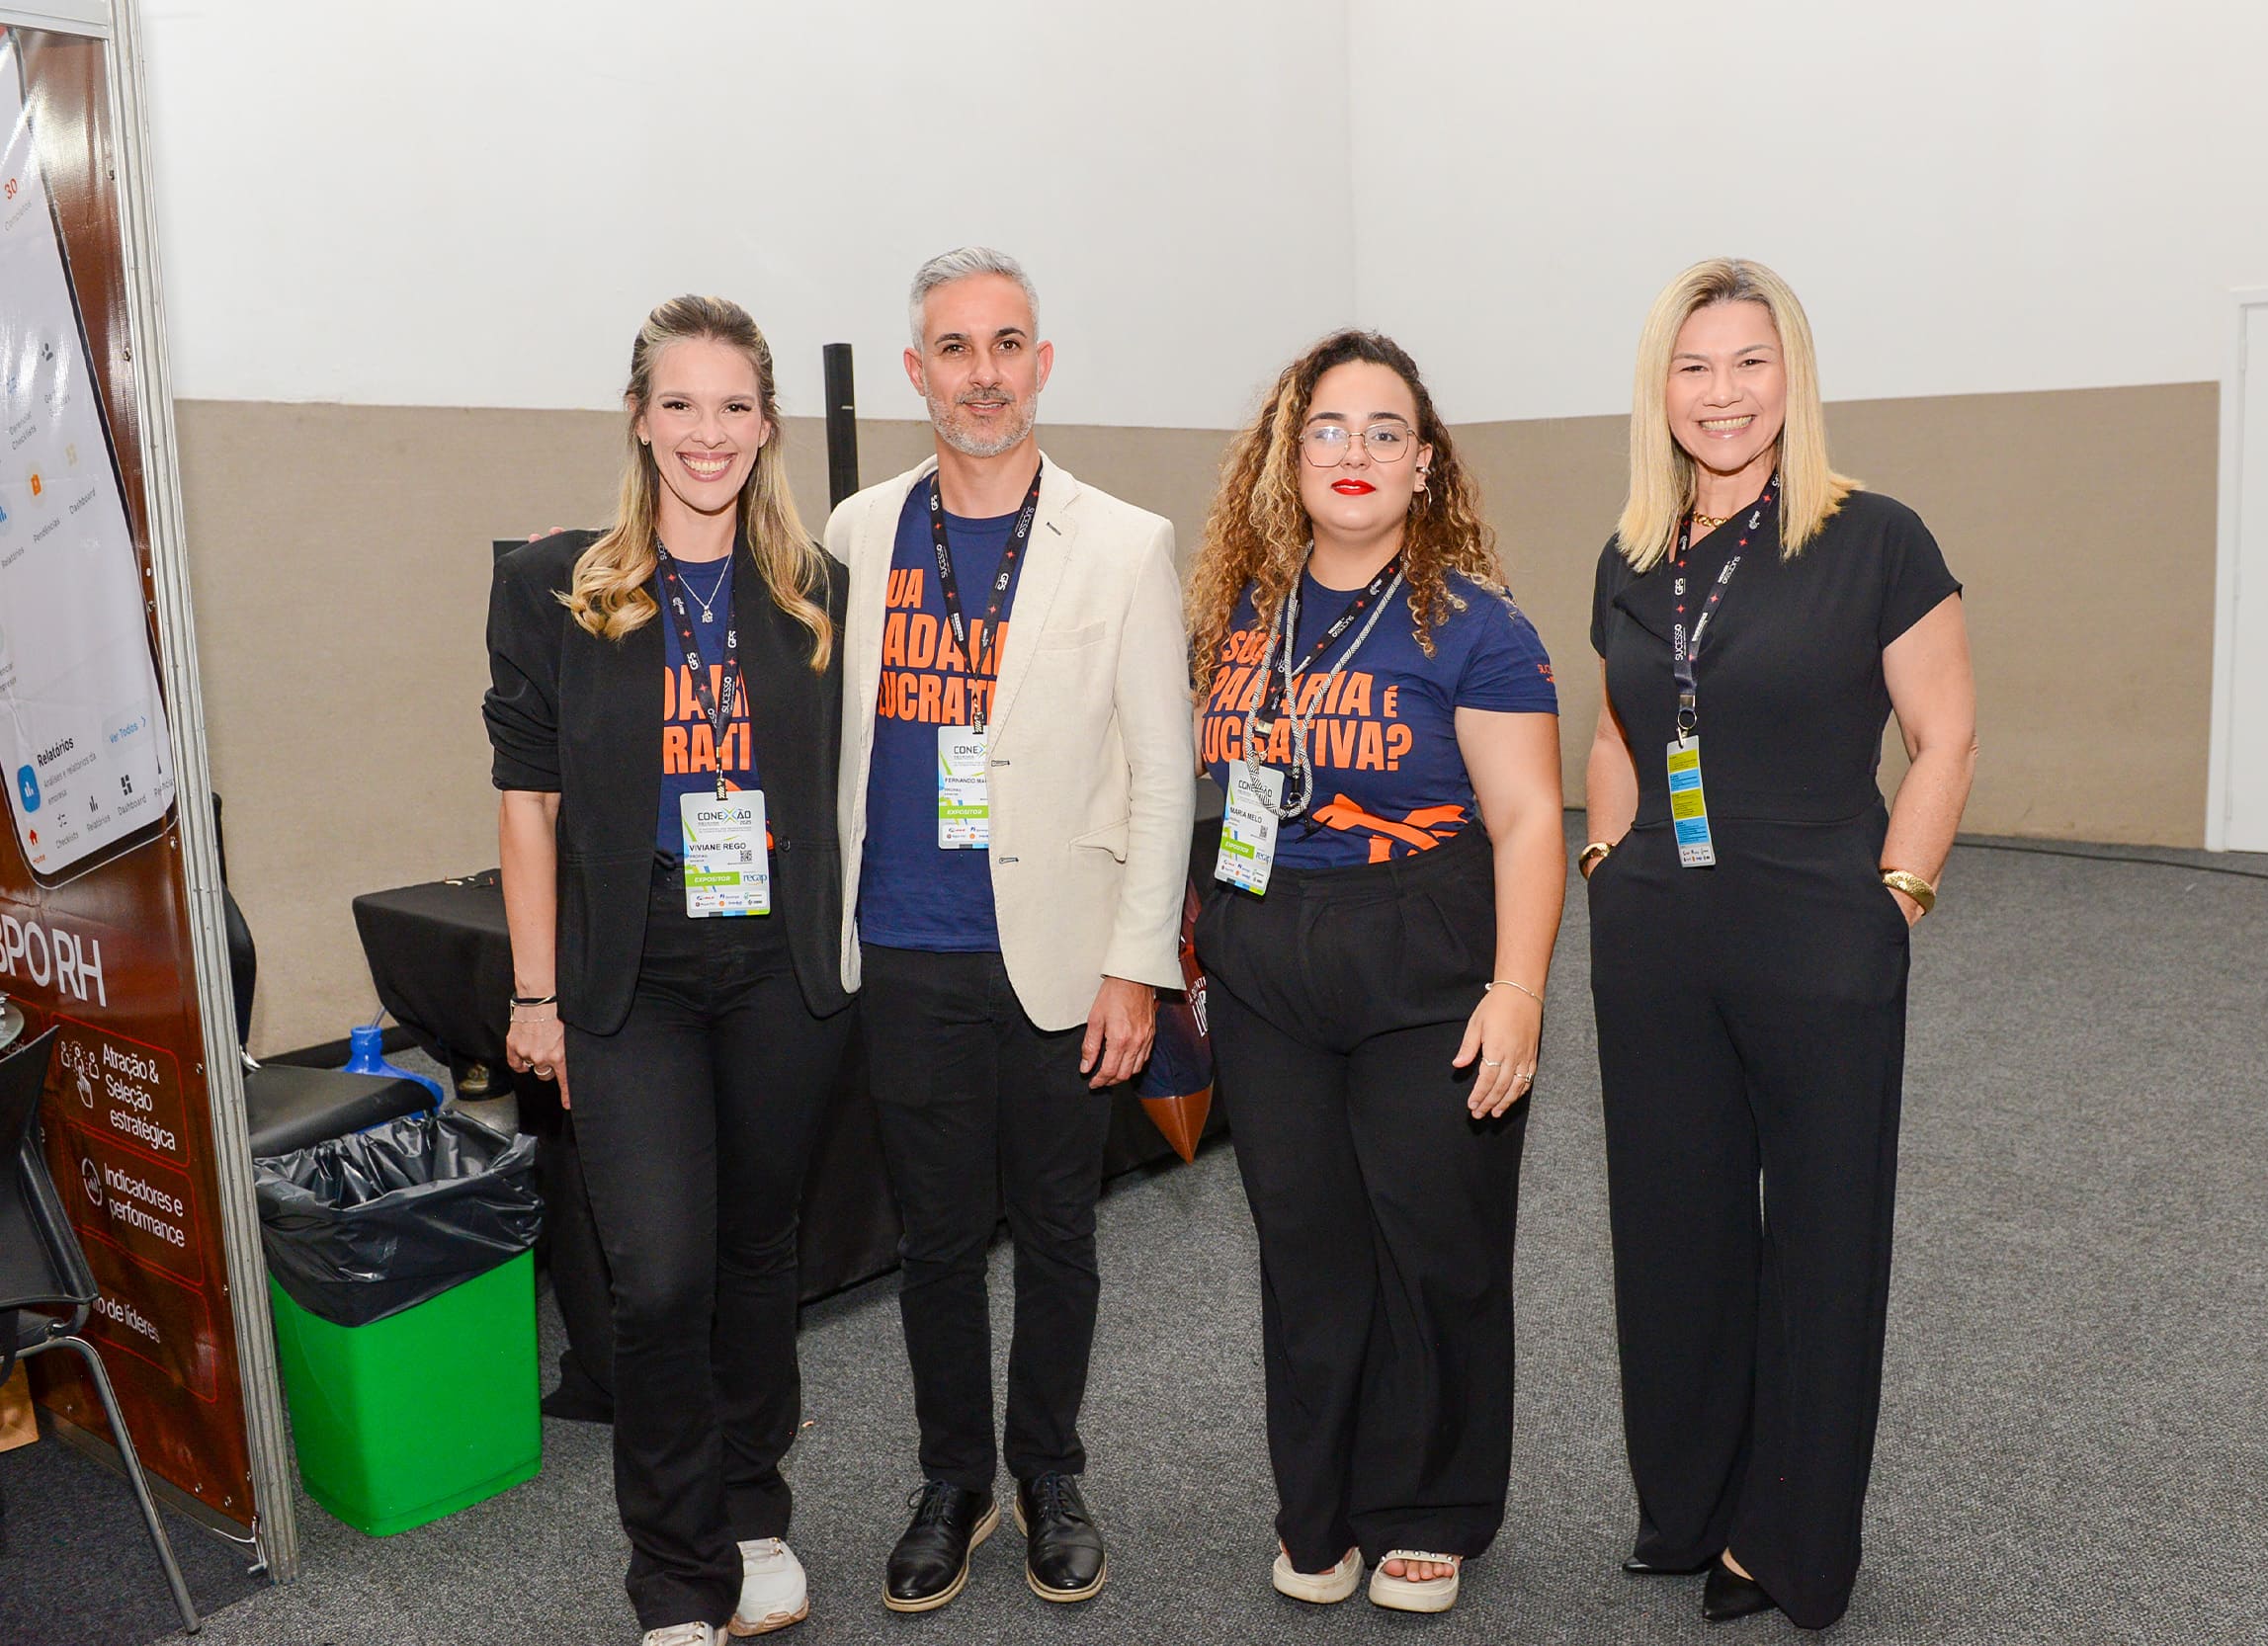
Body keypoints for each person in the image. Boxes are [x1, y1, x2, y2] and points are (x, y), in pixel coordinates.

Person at [1582, 258, 1976, 1629]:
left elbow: (1945, 735)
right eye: (1694, 366)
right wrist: (1606, 867)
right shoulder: (1633, 553)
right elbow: (1619, 728)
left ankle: (1788, 1536)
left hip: (1821, 935)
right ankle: (1691, 1502)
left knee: (1821, 1236)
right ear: (1660, 389)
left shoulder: (1879, 540)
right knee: (1674, 1229)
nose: (1724, 392)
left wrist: (1897, 897)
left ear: (1792, 377)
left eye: (1751, 361)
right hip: (1656, 940)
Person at [827, 246, 1192, 1612]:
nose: (982, 374)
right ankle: (953, 1480)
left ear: (1041, 365)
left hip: (1062, 952)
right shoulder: (857, 533)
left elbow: (1164, 772)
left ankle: (1049, 1470)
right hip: (904, 946)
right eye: (954, 348)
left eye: (1005, 345)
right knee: (931, 1243)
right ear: (915, 372)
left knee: (1056, 1235)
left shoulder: (1126, 543)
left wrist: (1136, 965)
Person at [483, 295, 851, 1646]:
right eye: (681, 404)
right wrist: (535, 993)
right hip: (629, 965)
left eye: (734, 405)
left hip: (777, 961)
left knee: (758, 1254)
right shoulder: (554, 585)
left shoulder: (817, 593)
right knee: (658, 1276)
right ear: (640, 418)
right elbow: (528, 804)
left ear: (767, 425)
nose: (709, 432)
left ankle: (751, 1512)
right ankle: (676, 1568)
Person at [1186, 330, 1564, 1614]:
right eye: (1329, 428)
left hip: (1426, 957)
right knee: (1306, 1244)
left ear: (1425, 464)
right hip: (1266, 959)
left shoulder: (1477, 627)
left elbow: (1529, 819)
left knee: (1433, 1237)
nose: (1356, 452)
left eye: (1385, 431)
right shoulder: (1237, 616)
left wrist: (1518, 990)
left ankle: (1430, 1505)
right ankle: (1321, 1505)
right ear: (1287, 457)